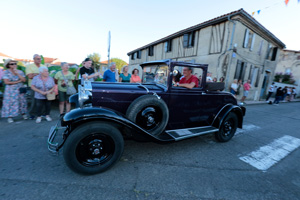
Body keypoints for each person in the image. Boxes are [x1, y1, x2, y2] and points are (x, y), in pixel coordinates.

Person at [26, 54, 42, 119]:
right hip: (33, 86)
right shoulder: (29, 66)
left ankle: (41, 114)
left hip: (43, 86)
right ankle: (32, 114)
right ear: (34, 59)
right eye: (38, 59)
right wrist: (40, 74)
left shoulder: (43, 66)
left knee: (42, 101)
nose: (40, 60)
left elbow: (46, 75)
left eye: (40, 58)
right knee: (34, 101)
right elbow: (30, 76)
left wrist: (35, 74)